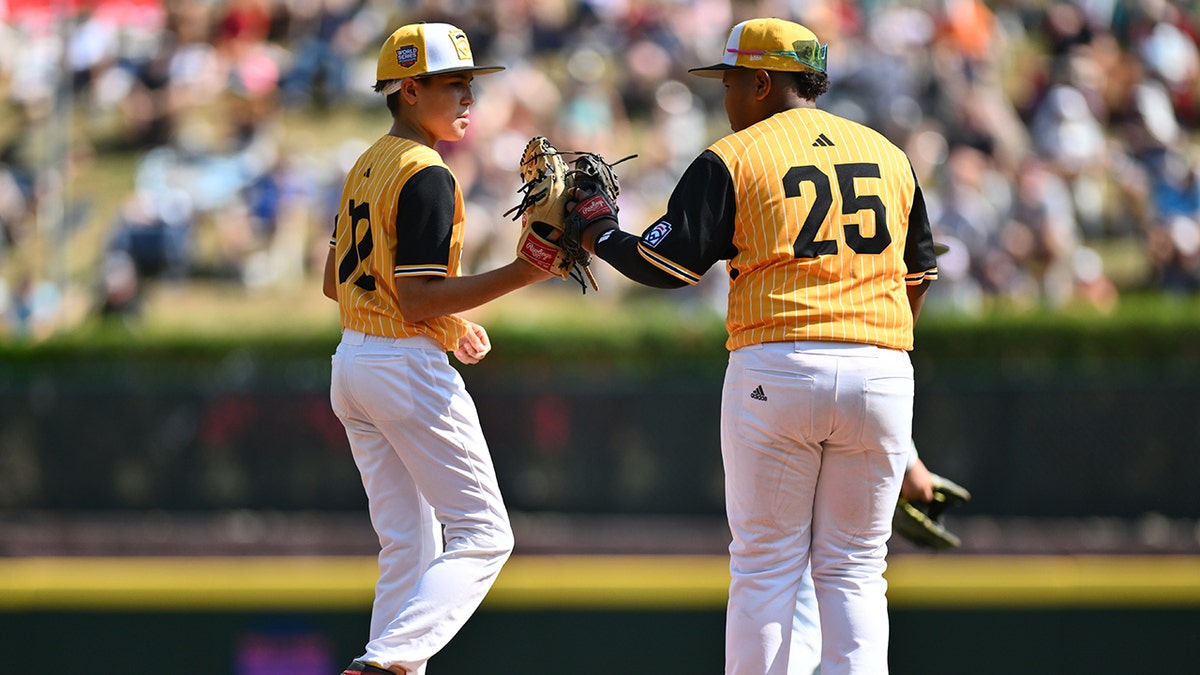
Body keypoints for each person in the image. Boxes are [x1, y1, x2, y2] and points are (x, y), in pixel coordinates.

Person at [568, 18, 938, 674]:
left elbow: (665, 267)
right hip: (883, 369)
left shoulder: (735, 155)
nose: (728, 96)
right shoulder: (889, 154)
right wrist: (879, 359)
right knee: (855, 571)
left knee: (768, 567)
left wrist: (598, 229)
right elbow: (917, 277)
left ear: (764, 81)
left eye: (733, 81)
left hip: (779, 363)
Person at [322, 22, 554, 675]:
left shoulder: (365, 164)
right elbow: (419, 298)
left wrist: (451, 327)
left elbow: (333, 283)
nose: (467, 98)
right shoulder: (428, 175)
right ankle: (388, 660)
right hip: (402, 368)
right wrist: (524, 271)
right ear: (408, 89)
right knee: (485, 534)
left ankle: (388, 661)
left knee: (408, 546)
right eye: (452, 85)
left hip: (354, 364)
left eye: (469, 84)